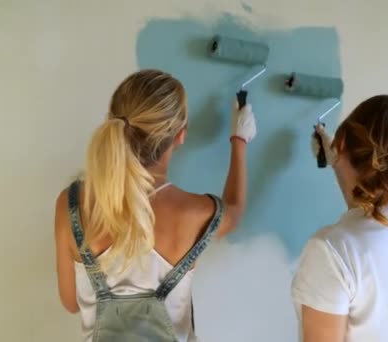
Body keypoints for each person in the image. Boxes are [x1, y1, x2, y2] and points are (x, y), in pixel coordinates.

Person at [53, 69, 256, 341]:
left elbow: (70, 302)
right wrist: (239, 141)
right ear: (181, 136)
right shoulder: (196, 213)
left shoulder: (72, 203)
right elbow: (234, 210)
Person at [292, 95, 388, 342]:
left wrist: (340, 160)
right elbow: (366, 219)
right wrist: (339, 162)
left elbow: (358, 231)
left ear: (341, 146)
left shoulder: (330, 251)